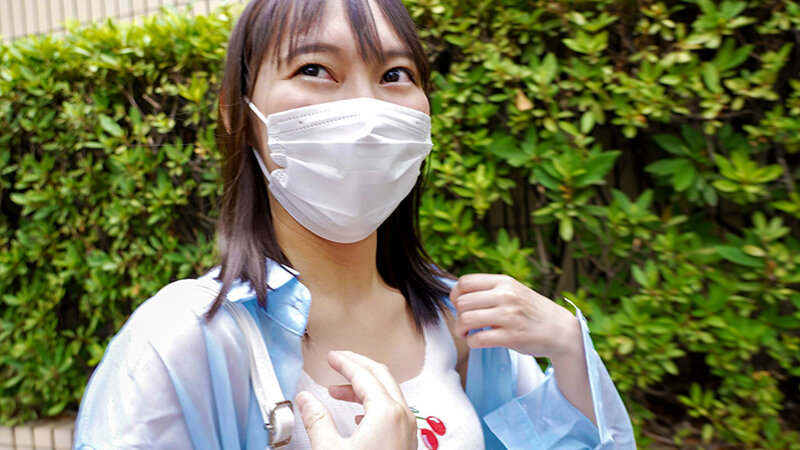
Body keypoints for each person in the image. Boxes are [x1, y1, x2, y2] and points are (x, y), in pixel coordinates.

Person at [74, 0, 636, 448]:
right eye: (314, 69)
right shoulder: (181, 340)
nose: (368, 114)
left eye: (395, 74)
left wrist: (569, 352)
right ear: (236, 112)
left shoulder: (467, 328)